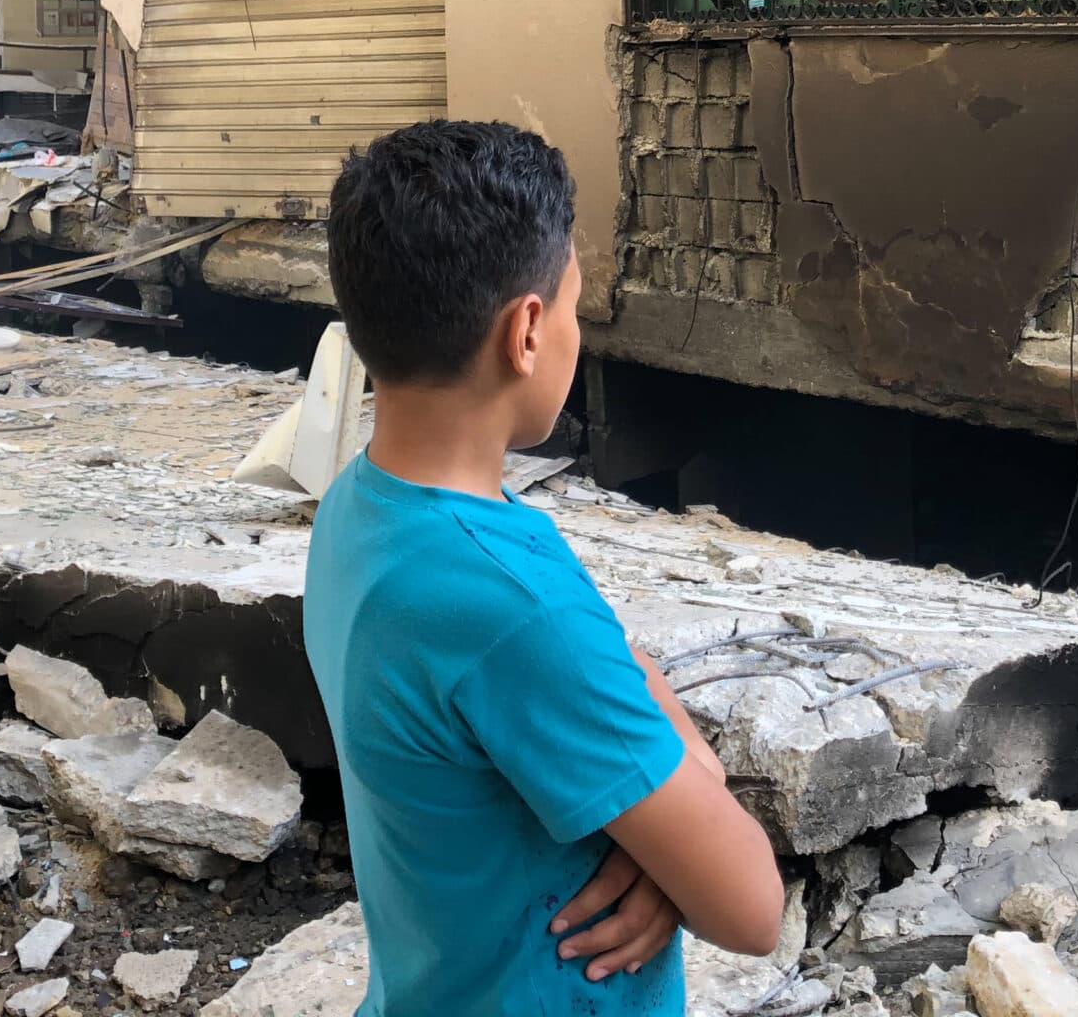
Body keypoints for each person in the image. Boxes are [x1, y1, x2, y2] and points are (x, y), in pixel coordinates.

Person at [305, 120, 785, 1015]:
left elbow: (600, 682)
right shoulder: (508, 602)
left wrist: (668, 834)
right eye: (570, 303)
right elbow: (753, 905)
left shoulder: (357, 513)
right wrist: (685, 828)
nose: (575, 329)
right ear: (526, 331)